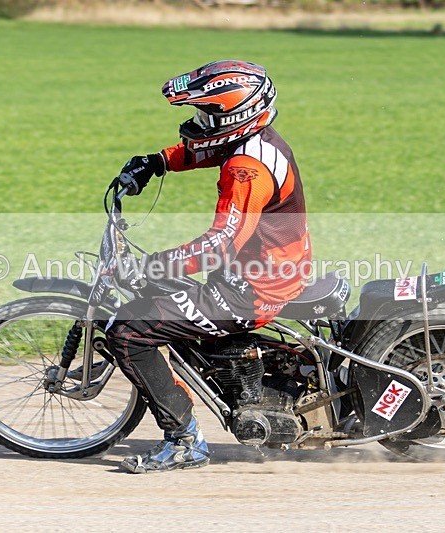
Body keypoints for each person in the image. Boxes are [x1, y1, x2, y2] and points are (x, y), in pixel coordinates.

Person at [106, 60, 312, 474]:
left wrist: (153, 267)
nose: (198, 123)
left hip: (253, 290)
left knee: (127, 330)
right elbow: (207, 147)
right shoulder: (256, 140)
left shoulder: (246, 169)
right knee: (163, 300)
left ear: (234, 117)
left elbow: (220, 244)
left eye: (207, 115)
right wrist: (157, 162)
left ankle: (184, 441)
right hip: (268, 269)